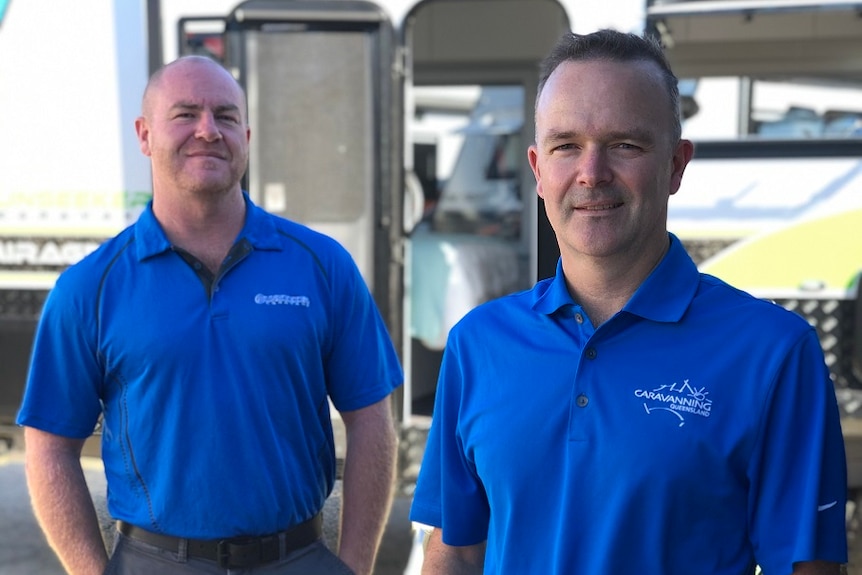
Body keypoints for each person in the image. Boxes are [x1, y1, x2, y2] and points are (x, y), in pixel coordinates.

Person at [409, 29, 848, 575]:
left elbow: (806, 568)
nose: (591, 173)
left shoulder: (774, 353)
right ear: (538, 169)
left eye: (625, 145)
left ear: (675, 166)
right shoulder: (478, 343)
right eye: (566, 145)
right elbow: (457, 549)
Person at [17, 55, 403, 575]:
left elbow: (372, 420)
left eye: (224, 116)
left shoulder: (321, 265)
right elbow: (49, 448)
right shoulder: (90, 287)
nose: (207, 130)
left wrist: (354, 567)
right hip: (154, 561)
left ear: (245, 135)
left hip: (297, 559)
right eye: (185, 114)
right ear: (145, 134)